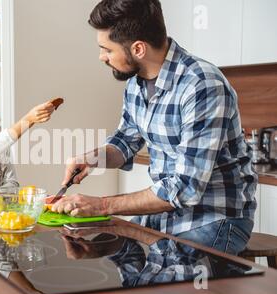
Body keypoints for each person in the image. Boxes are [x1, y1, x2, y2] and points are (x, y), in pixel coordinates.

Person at [52, 0, 257, 255]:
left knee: (164, 285)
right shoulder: (136, 83)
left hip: (213, 219)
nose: (101, 57)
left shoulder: (202, 85)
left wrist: (102, 205)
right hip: (164, 216)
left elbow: (185, 189)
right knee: (110, 261)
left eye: (106, 49)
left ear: (138, 48)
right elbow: (126, 141)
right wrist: (91, 159)